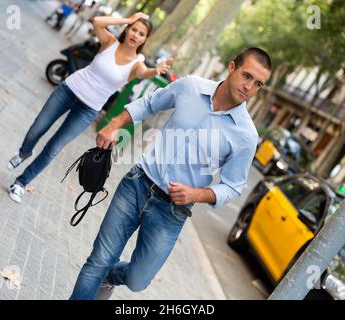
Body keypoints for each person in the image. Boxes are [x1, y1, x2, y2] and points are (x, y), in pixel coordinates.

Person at [69, 47, 272, 300]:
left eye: (258, 84)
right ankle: (101, 273)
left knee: (137, 280)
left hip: (171, 212)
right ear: (232, 67)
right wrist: (114, 124)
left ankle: (111, 276)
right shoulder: (190, 87)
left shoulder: (246, 136)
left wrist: (196, 194)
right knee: (98, 260)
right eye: (246, 76)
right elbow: (150, 103)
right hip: (137, 184)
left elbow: (233, 186)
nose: (249, 86)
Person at [7, 13, 172, 203]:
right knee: (37, 129)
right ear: (127, 30)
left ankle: (21, 182)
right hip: (68, 90)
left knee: (53, 148)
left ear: (145, 39)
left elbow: (146, 73)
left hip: (88, 110)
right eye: (133, 29)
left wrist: (156, 70)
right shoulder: (110, 43)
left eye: (141, 33)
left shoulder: (137, 64)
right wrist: (128, 19)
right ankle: (24, 153)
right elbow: (97, 22)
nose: (136, 35)